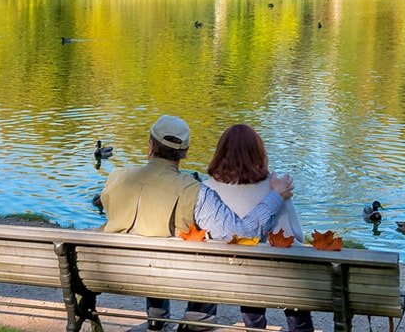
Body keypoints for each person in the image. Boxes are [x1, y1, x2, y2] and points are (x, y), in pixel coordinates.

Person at [100, 115, 294, 332]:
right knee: (202, 253)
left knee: (149, 243)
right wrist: (276, 197)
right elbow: (241, 234)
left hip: (116, 272)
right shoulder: (196, 192)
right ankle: (198, 321)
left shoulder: (117, 178)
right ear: (185, 152)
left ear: (150, 146)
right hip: (178, 278)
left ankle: (158, 320)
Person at [204, 123, 313, 332]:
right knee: (284, 267)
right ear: (258, 152)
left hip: (228, 275)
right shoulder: (276, 188)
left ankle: (254, 327)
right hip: (280, 279)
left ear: (220, 153)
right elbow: (297, 234)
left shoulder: (207, 189)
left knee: (249, 271)